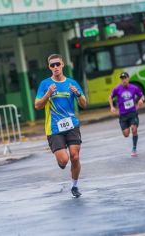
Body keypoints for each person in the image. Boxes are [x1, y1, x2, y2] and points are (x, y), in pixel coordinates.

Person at [35, 54, 87, 198]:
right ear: (49, 67)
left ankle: (75, 186)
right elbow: (37, 105)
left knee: (75, 157)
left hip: (72, 125)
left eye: (58, 64)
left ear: (63, 64)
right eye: (52, 65)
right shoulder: (45, 84)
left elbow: (84, 104)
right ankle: (61, 161)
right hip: (54, 128)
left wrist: (77, 94)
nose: (56, 67)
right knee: (64, 160)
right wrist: (48, 94)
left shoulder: (72, 83)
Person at [108, 72, 145, 157]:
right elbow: (110, 97)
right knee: (126, 134)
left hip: (132, 113)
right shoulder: (117, 89)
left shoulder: (134, 88)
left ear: (128, 78)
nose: (124, 80)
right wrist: (112, 107)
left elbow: (142, 95)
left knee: (134, 129)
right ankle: (128, 125)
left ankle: (134, 148)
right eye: (122, 78)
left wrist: (141, 100)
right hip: (123, 115)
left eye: (125, 78)